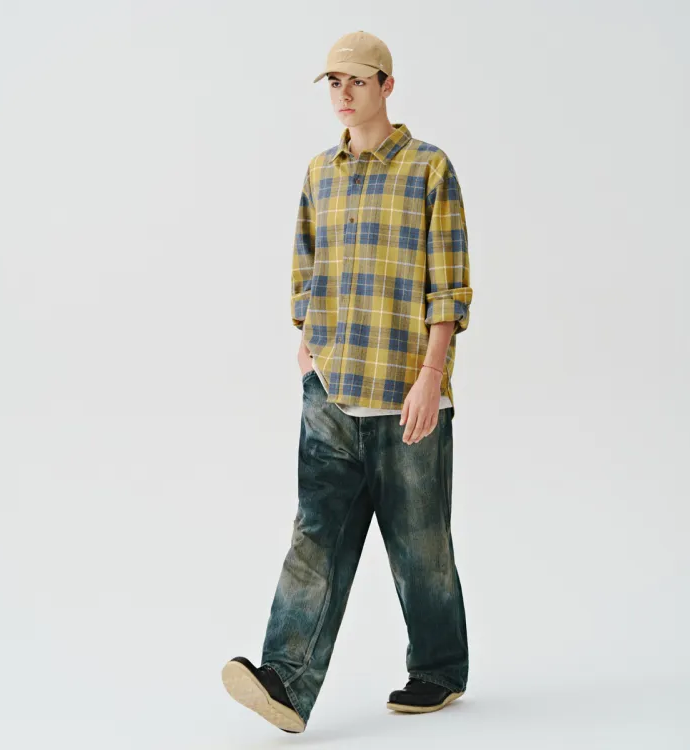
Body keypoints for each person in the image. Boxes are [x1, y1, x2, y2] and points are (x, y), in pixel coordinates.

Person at [221, 30, 473, 733]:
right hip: (330, 391)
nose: (343, 93)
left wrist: (431, 376)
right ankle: (284, 681)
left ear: (386, 85)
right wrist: (308, 344)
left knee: (421, 548)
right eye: (334, 82)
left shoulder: (429, 169)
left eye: (357, 81)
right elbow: (306, 268)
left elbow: (449, 287)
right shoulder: (319, 173)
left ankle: (439, 670)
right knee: (315, 537)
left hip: (406, 392)